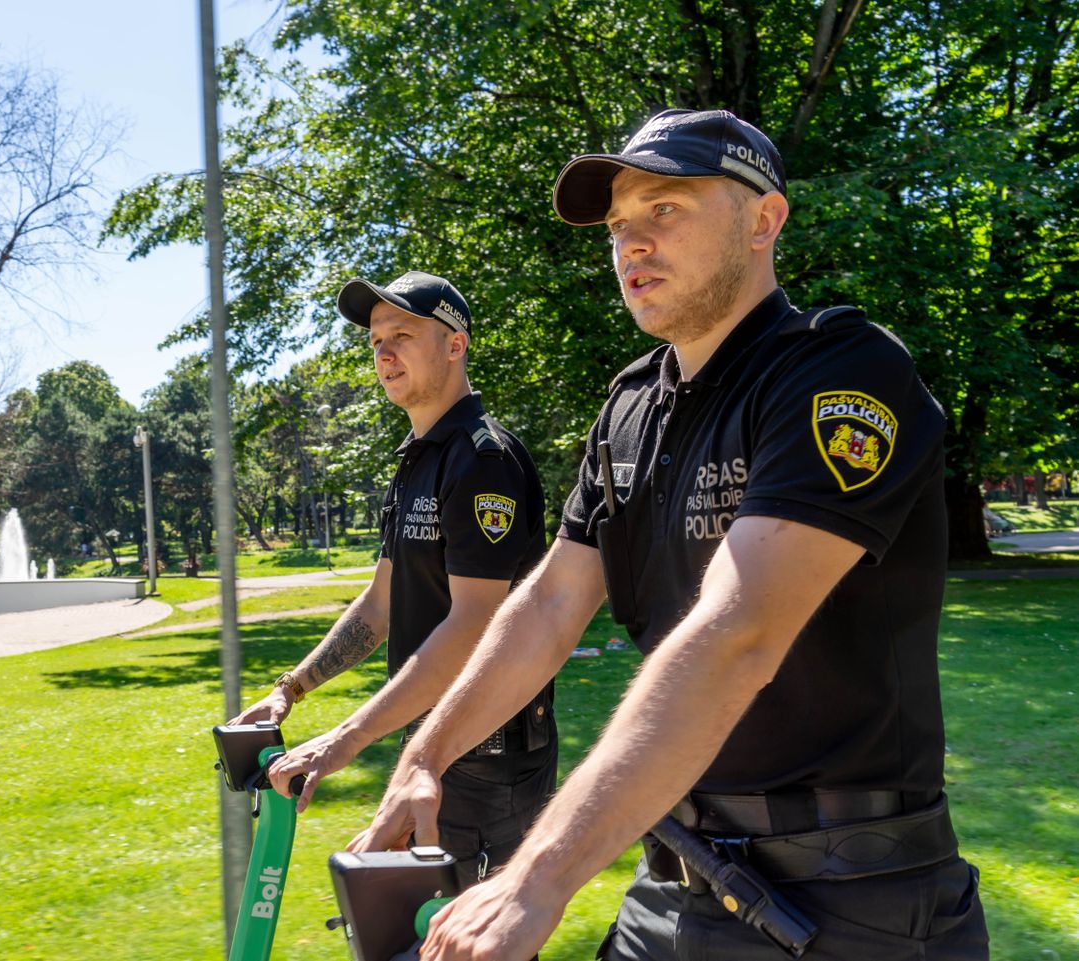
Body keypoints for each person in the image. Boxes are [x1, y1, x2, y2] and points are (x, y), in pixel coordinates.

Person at [350, 109, 989, 960]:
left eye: (665, 210)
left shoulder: (840, 369)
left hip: (850, 903)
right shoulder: (630, 407)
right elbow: (547, 605)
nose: (631, 245)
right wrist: (426, 756)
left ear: (764, 220)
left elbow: (737, 633)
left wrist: (535, 876)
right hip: (678, 875)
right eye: (619, 225)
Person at [230, 270, 557, 889]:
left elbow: (473, 624)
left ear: (455, 344)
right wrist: (290, 690)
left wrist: (346, 739)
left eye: (402, 335)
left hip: (490, 756)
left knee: (480, 943)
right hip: (431, 746)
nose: (383, 353)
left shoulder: (484, 460)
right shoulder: (417, 461)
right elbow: (380, 604)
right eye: (376, 340)